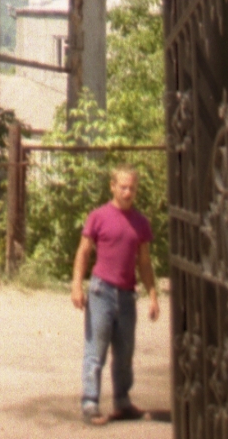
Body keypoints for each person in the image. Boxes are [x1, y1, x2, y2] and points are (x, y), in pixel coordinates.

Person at [71, 167, 160, 424]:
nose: (127, 192)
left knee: (125, 353)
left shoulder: (141, 223)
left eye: (131, 187)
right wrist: (77, 285)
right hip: (101, 291)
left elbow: (144, 262)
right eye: (122, 186)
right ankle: (90, 403)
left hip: (127, 295)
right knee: (95, 350)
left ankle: (122, 402)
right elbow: (84, 251)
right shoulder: (98, 216)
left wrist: (152, 294)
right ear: (112, 186)